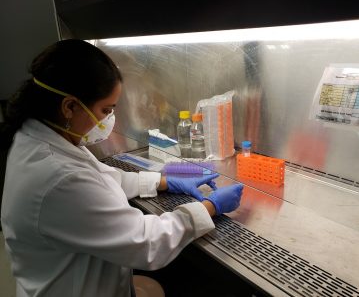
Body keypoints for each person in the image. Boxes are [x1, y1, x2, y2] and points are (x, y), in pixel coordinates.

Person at [0, 39, 243, 297]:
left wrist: (163, 181)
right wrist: (210, 207)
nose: (108, 120)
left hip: (69, 281)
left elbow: (100, 181)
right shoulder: (58, 176)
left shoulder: (41, 138)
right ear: (69, 106)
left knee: (151, 288)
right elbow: (146, 243)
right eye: (106, 110)